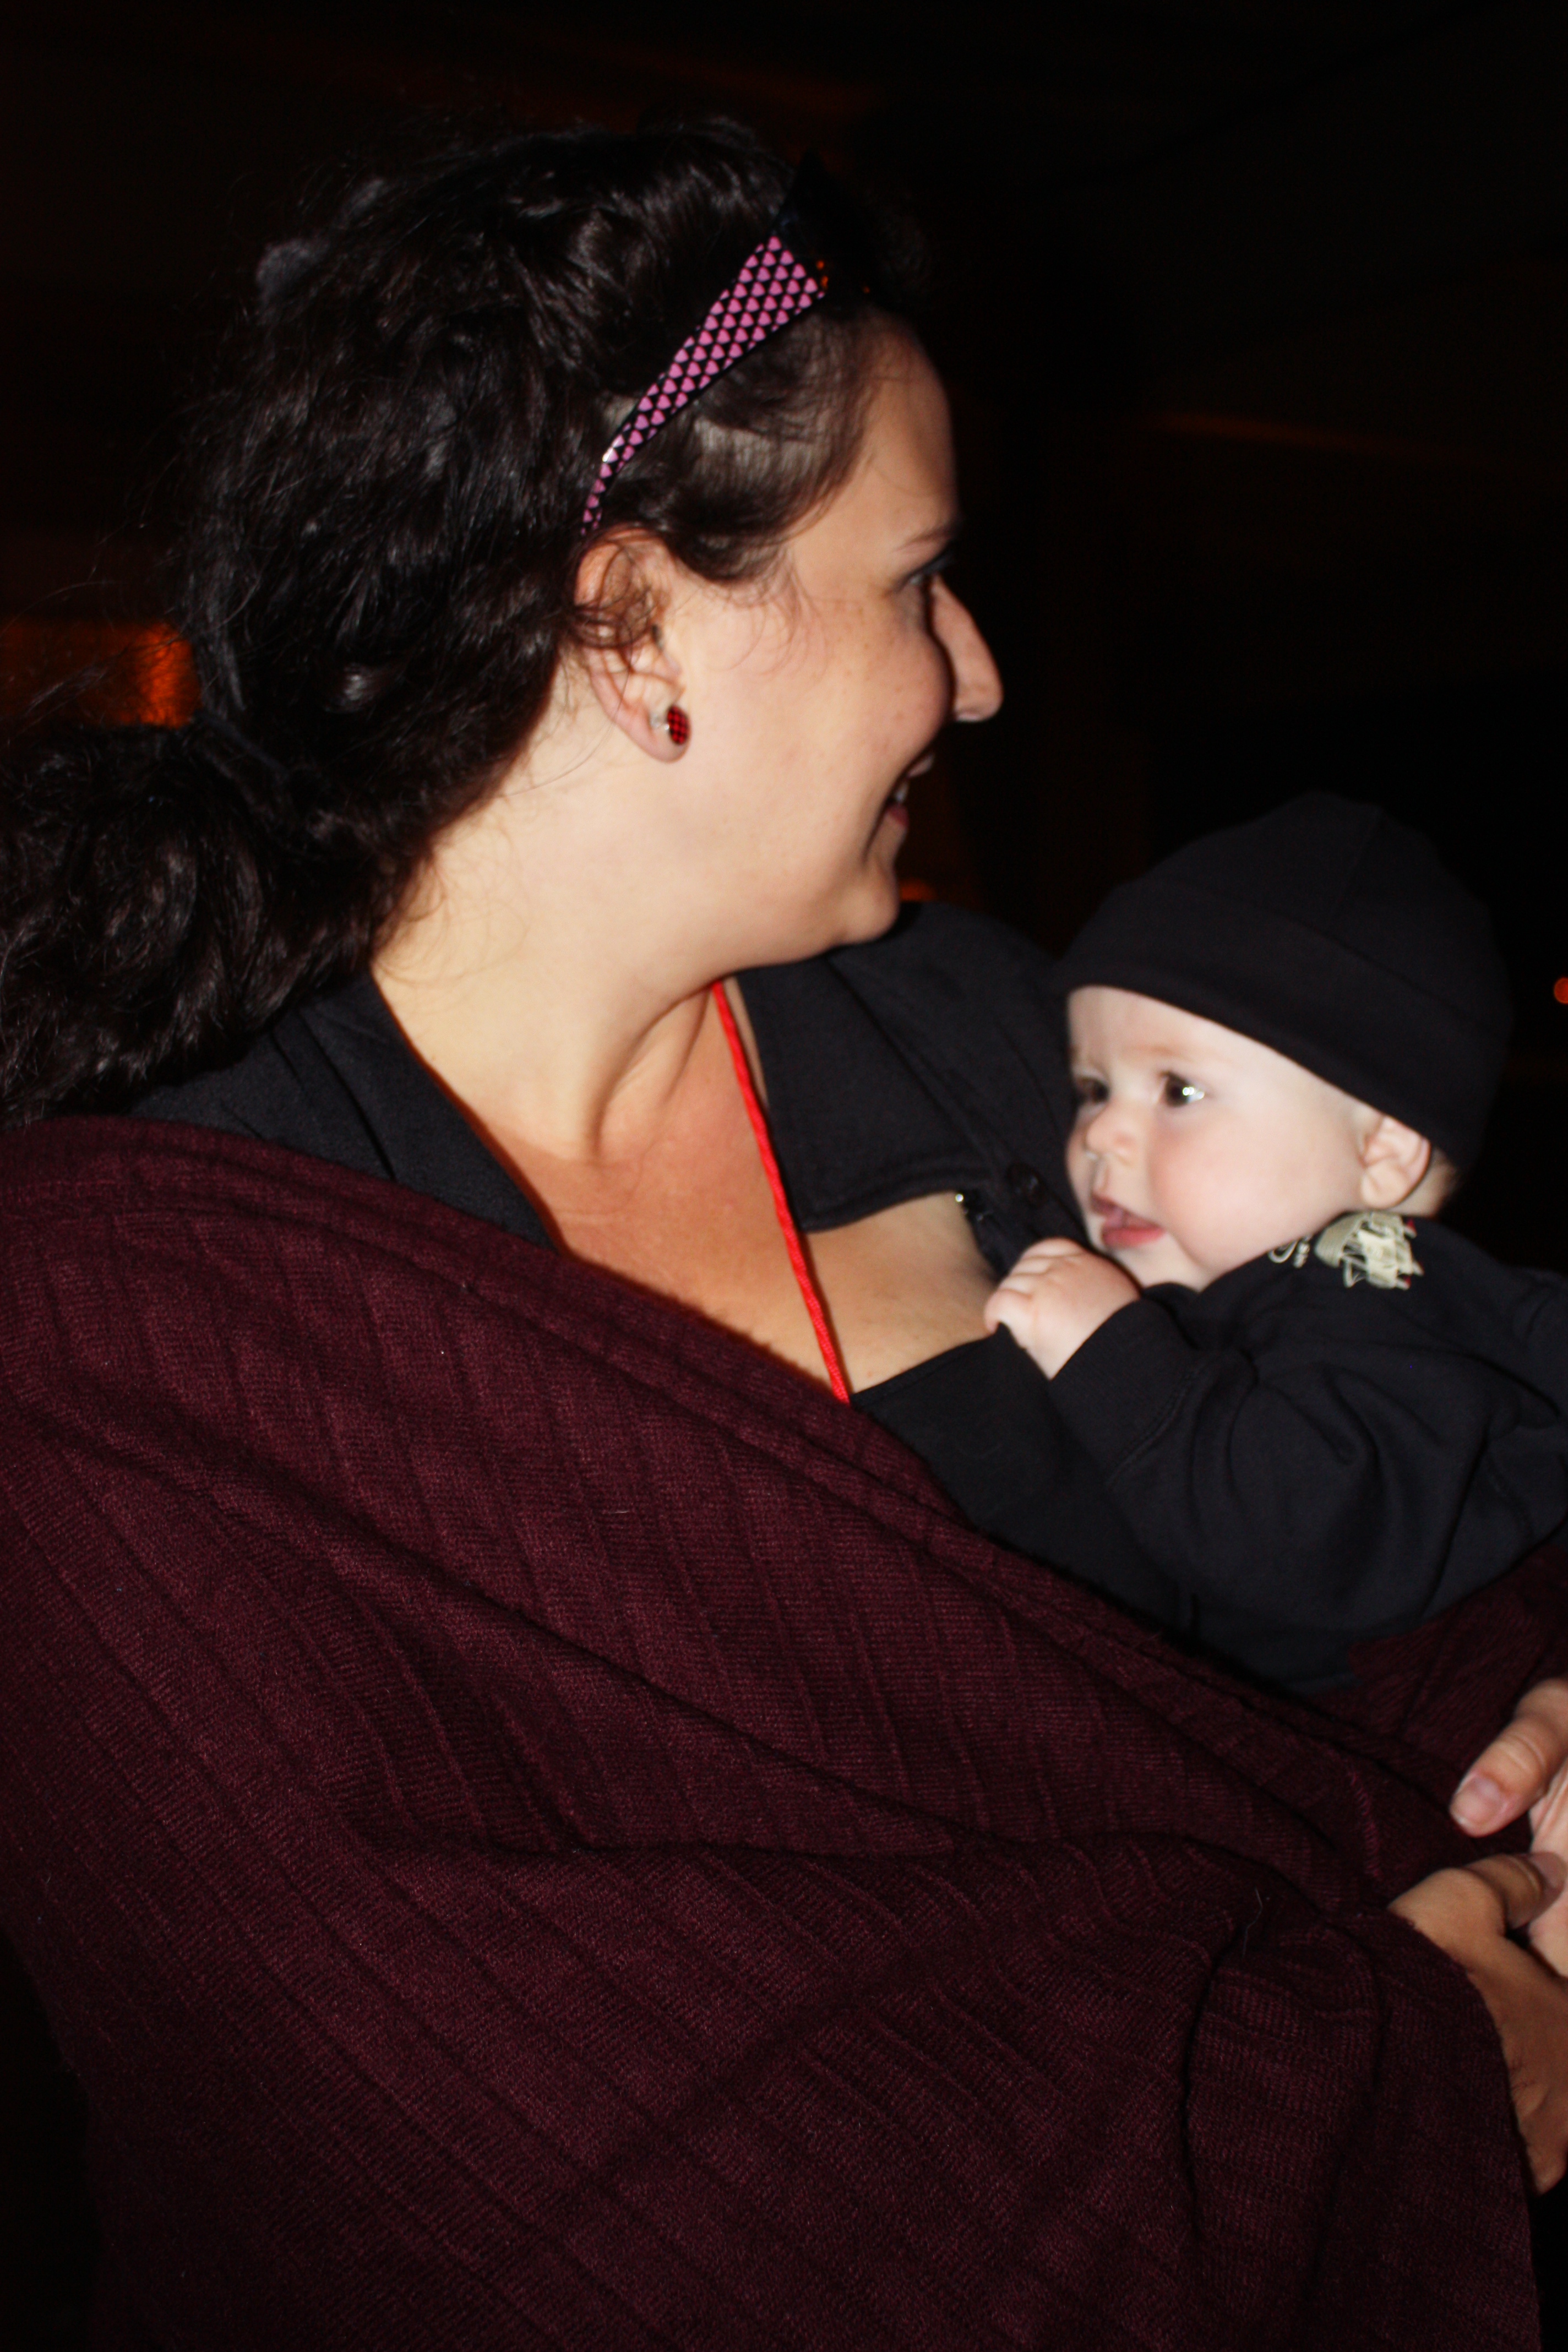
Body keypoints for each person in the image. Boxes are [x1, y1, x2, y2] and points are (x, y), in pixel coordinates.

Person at [1, 119, 1567, 2350]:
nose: (978, 676)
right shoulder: (126, 1320)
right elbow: (501, 2174)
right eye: (919, 579)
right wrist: (1396, 2066)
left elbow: (1408, 1413)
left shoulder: (999, 1047)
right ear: (627, 621)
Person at [984, 794, 1568, 1690]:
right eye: (1094, 1088)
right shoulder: (1247, 1289)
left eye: (1179, 1091)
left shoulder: (1389, 1306)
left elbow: (1313, 1539)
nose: (1100, 1134)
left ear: (1381, 1153)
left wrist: (1113, 1360)